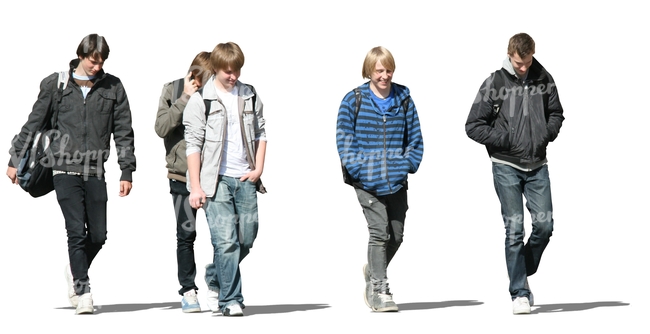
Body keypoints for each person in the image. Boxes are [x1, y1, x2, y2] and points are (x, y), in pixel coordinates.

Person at [6, 34, 136, 315]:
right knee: (76, 231)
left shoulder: (113, 87)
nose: (97, 66)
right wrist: (16, 158)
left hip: (95, 170)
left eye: (102, 61)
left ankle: (74, 267)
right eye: (93, 60)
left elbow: (123, 131)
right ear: (81, 55)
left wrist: (126, 170)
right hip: (63, 168)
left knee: (98, 235)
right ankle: (83, 289)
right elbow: (34, 122)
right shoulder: (57, 85)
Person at [465, 33, 564, 314]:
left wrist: (546, 134)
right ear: (510, 54)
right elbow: (473, 125)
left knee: (545, 226)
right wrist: (507, 139)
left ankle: (520, 269)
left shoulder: (544, 78)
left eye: (527, 61)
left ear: (533, 54)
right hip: (506, 166)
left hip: (537, 166)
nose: (523, 67)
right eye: (519, 63)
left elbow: (556, 113)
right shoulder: (495, 83)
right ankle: (519, 292)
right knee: (515, 230)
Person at [336, 46, 424, 312]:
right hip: (366, 181)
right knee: (378, 232)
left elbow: (416, 137)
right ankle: (379, 290)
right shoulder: (353, 100)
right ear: (369, 71)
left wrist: (406, 164)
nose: (385, 76)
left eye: (388, 70)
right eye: (379, 71)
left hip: (396, 180)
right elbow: (344, 139)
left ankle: (374, 270)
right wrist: (360, 170)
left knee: (396, 235)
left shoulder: (404, 98)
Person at [183, 41, 267, 317]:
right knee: (226, 242)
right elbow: (193, 145)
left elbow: (261, 133)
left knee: (247, 237)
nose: (233, 76)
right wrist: (196, 187)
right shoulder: (201, 101)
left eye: (237, 71)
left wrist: (258, 170)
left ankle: (215, 275)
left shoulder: (249, 95)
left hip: (245, 178)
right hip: (215, 182)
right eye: (227, 71)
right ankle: (231, 300)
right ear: (216, 69)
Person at [155, 51, 212, 313]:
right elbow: (161, 128)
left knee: (224, 236)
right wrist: (185, 97)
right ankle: (188, 290)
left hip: (213, 176)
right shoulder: (173, 89)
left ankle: (219, 283)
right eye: (204, 77)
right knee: (186, 235)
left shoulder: (219, 92)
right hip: (180, 176)